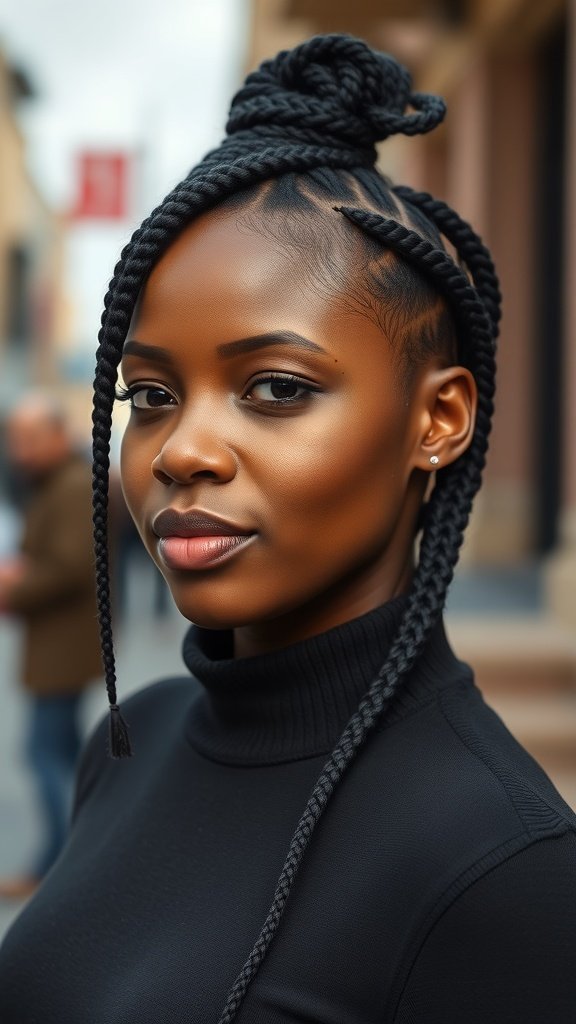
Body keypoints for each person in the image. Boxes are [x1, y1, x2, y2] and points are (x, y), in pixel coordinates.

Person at [0, 34, 574, 1023]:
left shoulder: (502, 863)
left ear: (438, 419)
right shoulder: (132, 742)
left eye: (275, 387)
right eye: (151, 394)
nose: (183, 451)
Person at [0, 394, 102, 900]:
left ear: (59, 435)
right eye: (16, 440)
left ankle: (61, 866)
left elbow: (69, 566)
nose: (21, 451)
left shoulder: (72, 484)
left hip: (64, 645)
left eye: (31, 439)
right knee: (62, 753)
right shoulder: (59, 481)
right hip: (61, 642)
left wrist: (12, 587)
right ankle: (71, 858)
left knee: (46, 754)